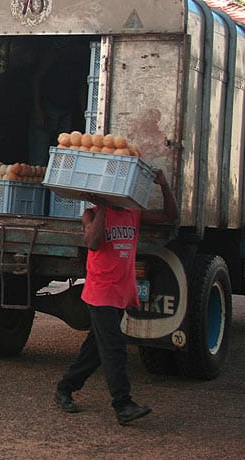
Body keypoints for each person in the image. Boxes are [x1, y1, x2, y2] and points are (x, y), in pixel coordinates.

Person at [53, 169, 178, 425]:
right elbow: (93, 243)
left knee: (95, 350)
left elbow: (170, 216)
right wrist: (102, 207)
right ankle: (123, 405)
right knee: (114, 348)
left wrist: (164, 186)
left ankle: (65, 388)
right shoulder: (91, 214)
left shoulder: (133, 214)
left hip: (121, 292)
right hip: (100, 293)